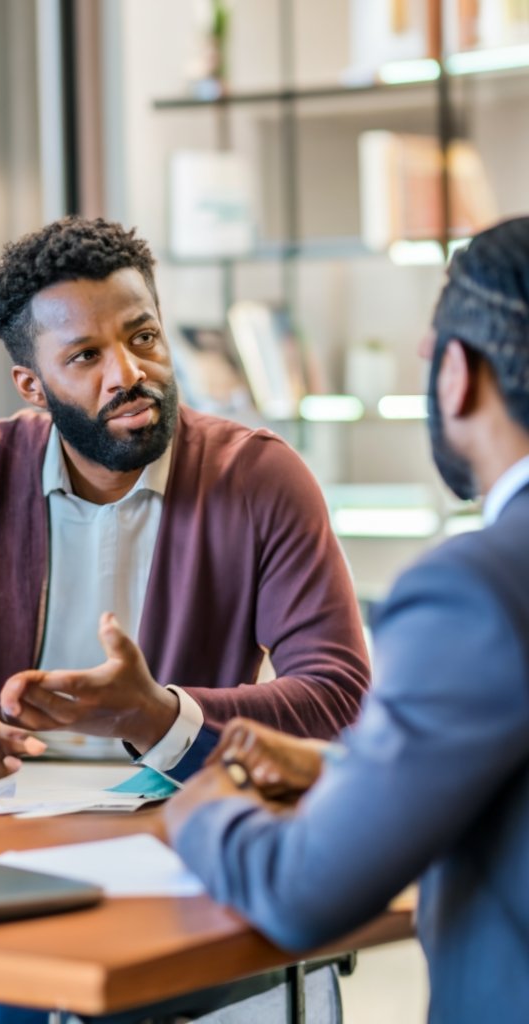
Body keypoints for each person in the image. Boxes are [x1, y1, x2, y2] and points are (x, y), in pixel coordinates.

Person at [0, 216, 370, 782]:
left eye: (143, 338)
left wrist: (159, 717)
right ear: (32, 386)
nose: (127, 373)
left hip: (196, 807)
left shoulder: (257, 476)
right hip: (13, 817)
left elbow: (339, 698)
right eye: (85, 356)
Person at [160, 216, 529, 1023]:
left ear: (459, 374)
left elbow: (300, 892)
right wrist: (345, 775)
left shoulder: (477, 587)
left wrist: (201, 807)